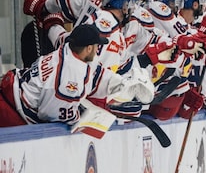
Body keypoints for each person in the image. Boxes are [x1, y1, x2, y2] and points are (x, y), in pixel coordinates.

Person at [0, 24, 151, 128]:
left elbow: (95, 74)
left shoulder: (69, 51)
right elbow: (51, 115)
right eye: (97, 46)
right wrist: (91, 114)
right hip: (12, 112)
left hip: (12, 93)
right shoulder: (69, 75)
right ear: (89, 48)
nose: (98, 49)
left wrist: (122, 84)